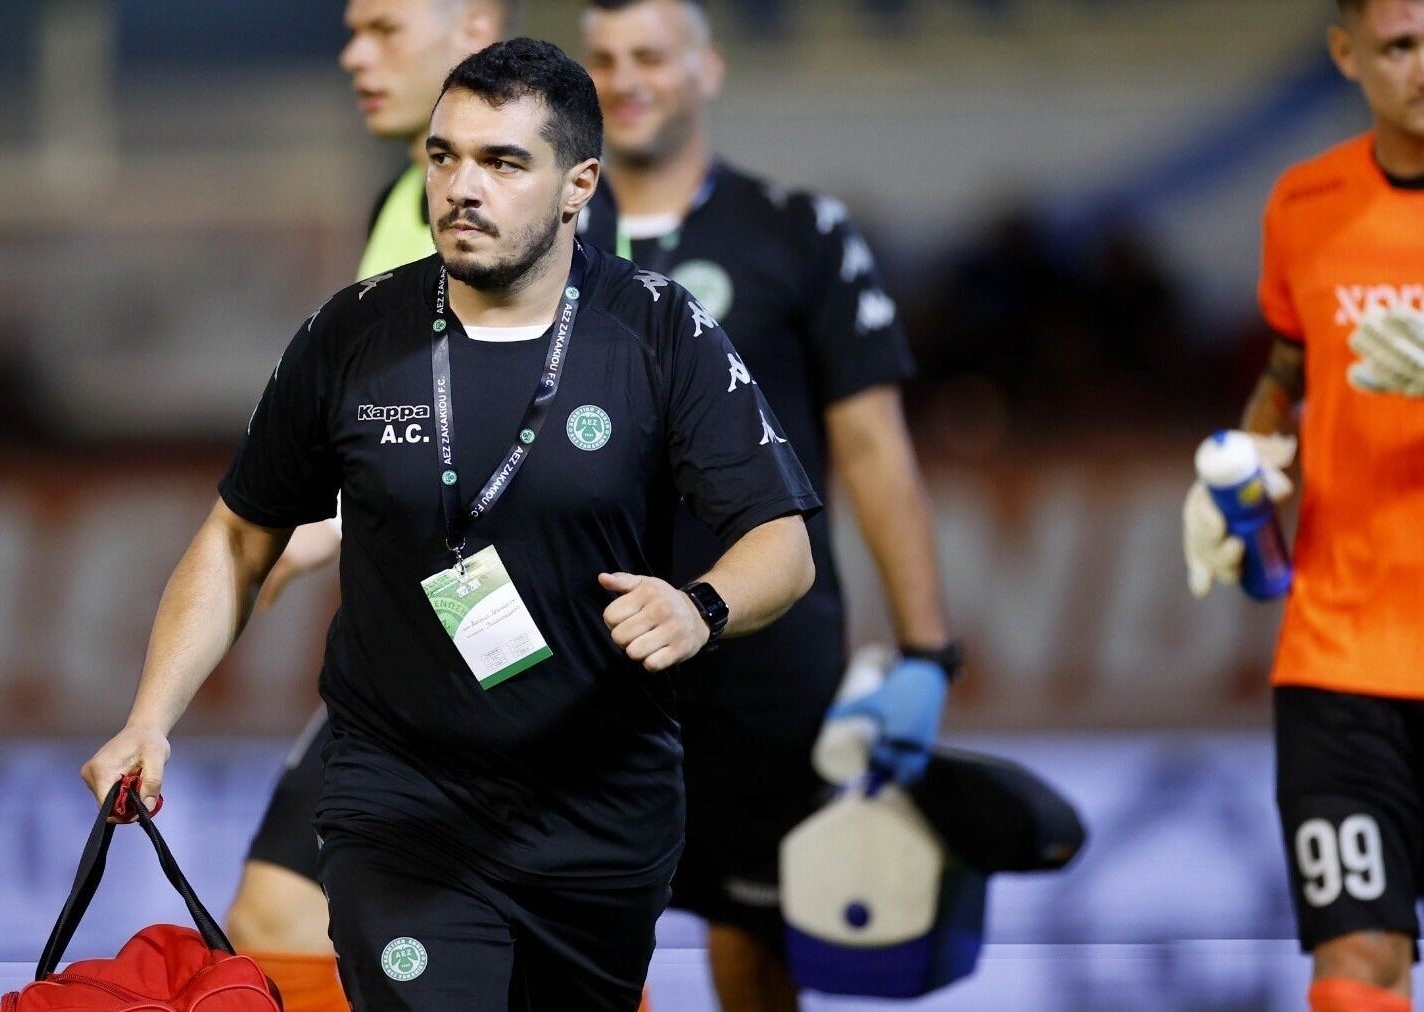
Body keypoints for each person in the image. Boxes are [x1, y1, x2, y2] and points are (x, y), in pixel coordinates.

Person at [84, 37, 820, 1011]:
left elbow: (783, 541)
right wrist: (150, 718)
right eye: (443, 156)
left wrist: (701, 607)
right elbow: (237, 536)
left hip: (599, 811)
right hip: (402, 806)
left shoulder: (657, 331)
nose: (460, 187)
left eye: (502, 162)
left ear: (577, 185)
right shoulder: (349, 336)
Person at [577, 3, 959, 1010]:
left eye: (650, 55)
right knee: (576, 935)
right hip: (586, 648)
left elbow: (874, 452)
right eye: (603, 58)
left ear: (706, 69)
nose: (626, 79)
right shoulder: (544, 231)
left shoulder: (796, 229)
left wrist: (924, 653)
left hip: (762, 645)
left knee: (755, 943)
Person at [221, 5, 519, 1011]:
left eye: (384, 28)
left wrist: (344, 521)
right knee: (321, 916)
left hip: (490, 617)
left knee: (307, 914)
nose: (353, 54)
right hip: (440, 618)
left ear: (473, 22)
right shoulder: (402, 201)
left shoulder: (523, 207)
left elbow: (515, 436)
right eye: (350, 29)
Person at [1182, 2, 1424, 1010]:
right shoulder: (1303, 202)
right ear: (1343, 54)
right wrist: (1236, 471)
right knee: (1352, 970)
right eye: (1400, 45)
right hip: (1338, 655)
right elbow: (1288, 367)